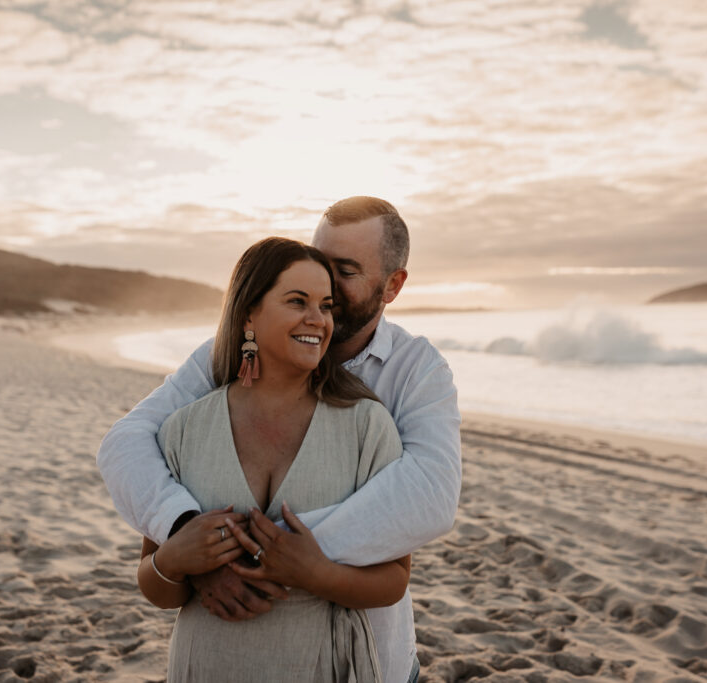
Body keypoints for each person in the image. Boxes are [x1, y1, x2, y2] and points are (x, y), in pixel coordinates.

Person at [99, 196, 461, 683]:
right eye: (317, 262)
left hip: (363, 661)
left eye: (344, 271)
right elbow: (126, 443)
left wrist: (274, 557)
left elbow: (430, 495)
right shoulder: (221, 363)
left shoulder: (414, 373)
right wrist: (190, 540)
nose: (323, 282)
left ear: (392, 285)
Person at [137, 237, 410, 681]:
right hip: (207, 665)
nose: (317, 320)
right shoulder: (182, 430)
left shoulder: (367, 426)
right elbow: (155, 586)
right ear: (249, 312)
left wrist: (316, 574)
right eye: (297, 301)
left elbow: (395, 579)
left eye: (326, 306)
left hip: (321, 665)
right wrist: (175, 560)